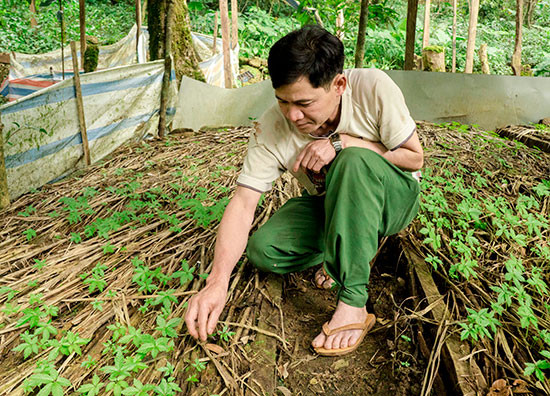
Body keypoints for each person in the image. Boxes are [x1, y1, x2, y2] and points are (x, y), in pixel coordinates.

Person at [185, 25, 423, 356]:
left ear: (338, 85)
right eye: (282, 101)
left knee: (352, 161)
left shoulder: (373, 88)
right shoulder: (272, 128)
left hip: (393, 199)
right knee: (264, 249)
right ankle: (349, 244)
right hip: (332, 203)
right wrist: (217, 282)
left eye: (304, 103)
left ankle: (353, 302)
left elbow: (414, 157)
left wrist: (344, 143)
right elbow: (242, 203)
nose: (293, 115)